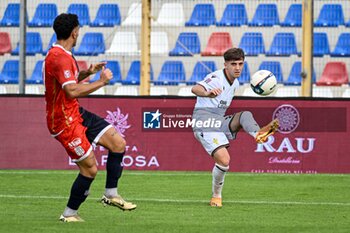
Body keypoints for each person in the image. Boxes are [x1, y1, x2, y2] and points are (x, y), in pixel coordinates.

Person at [44, 13, 136, 222]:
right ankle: (69, 214)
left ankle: (111, 194)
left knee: (118, 144)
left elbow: (68, 82)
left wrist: (88, 73)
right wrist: (102, 82)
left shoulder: (62, 54)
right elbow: (72, 91)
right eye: (78, 30)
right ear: (74, 32)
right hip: (63, 122)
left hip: (74, 112)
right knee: (90, 169)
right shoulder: (60, 57)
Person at [191, 48, 279, 207]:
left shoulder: (235, 82)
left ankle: (258, 134)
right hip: (204, 122)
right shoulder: (216, 78)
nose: (237, 68)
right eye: (233, 64)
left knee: (244, 115)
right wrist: (208, 92)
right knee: (224, 160)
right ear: (225, 64)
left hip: (218, 121)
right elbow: (195, 88)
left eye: (240, 64)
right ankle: (216, 196)